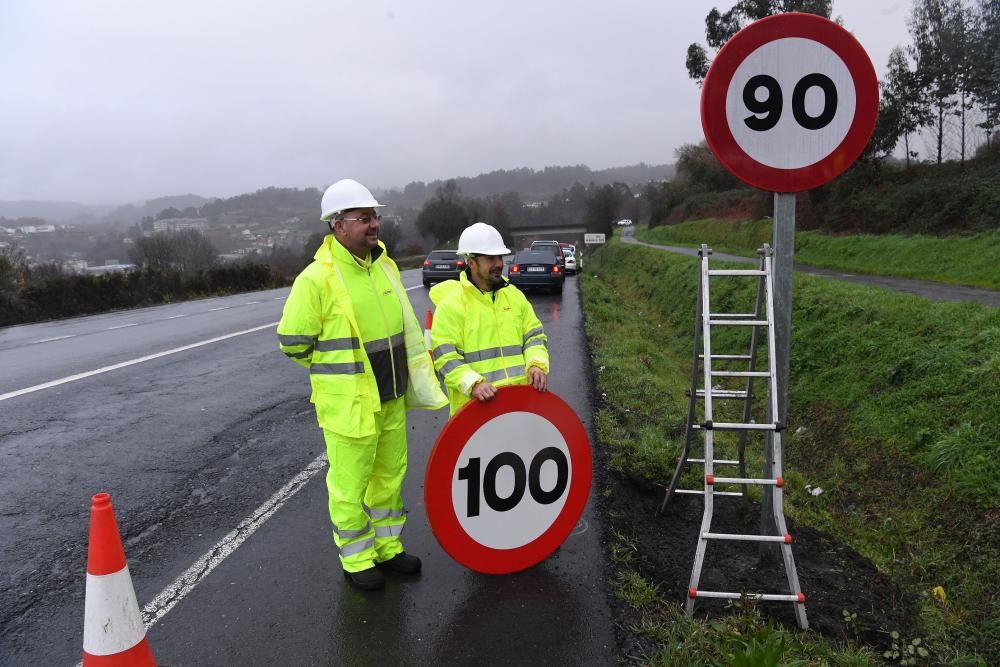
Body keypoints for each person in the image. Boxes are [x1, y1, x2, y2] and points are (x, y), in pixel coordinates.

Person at [277, 178, 447, 591]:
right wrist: (334, 371)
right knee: (350, 484)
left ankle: (387, 549)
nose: (374, 224)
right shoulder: (317, 279)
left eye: (375, 217)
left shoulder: (384, 265)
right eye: (364, 218)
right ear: (338, 225)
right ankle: (357, 559)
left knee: (389, 476)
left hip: (389, 397)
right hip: (350, 404)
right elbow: (293, 342)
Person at [429, 222, 549, 414]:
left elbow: (534, 336)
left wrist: (536, 364)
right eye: (490, 258)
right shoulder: (451, 305)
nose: (499, 264)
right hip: (475, 412)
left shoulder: (515, 296)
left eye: (500, 257)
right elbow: (445, 357)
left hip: (520, 404)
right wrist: (473, 383)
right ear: (471, 262)